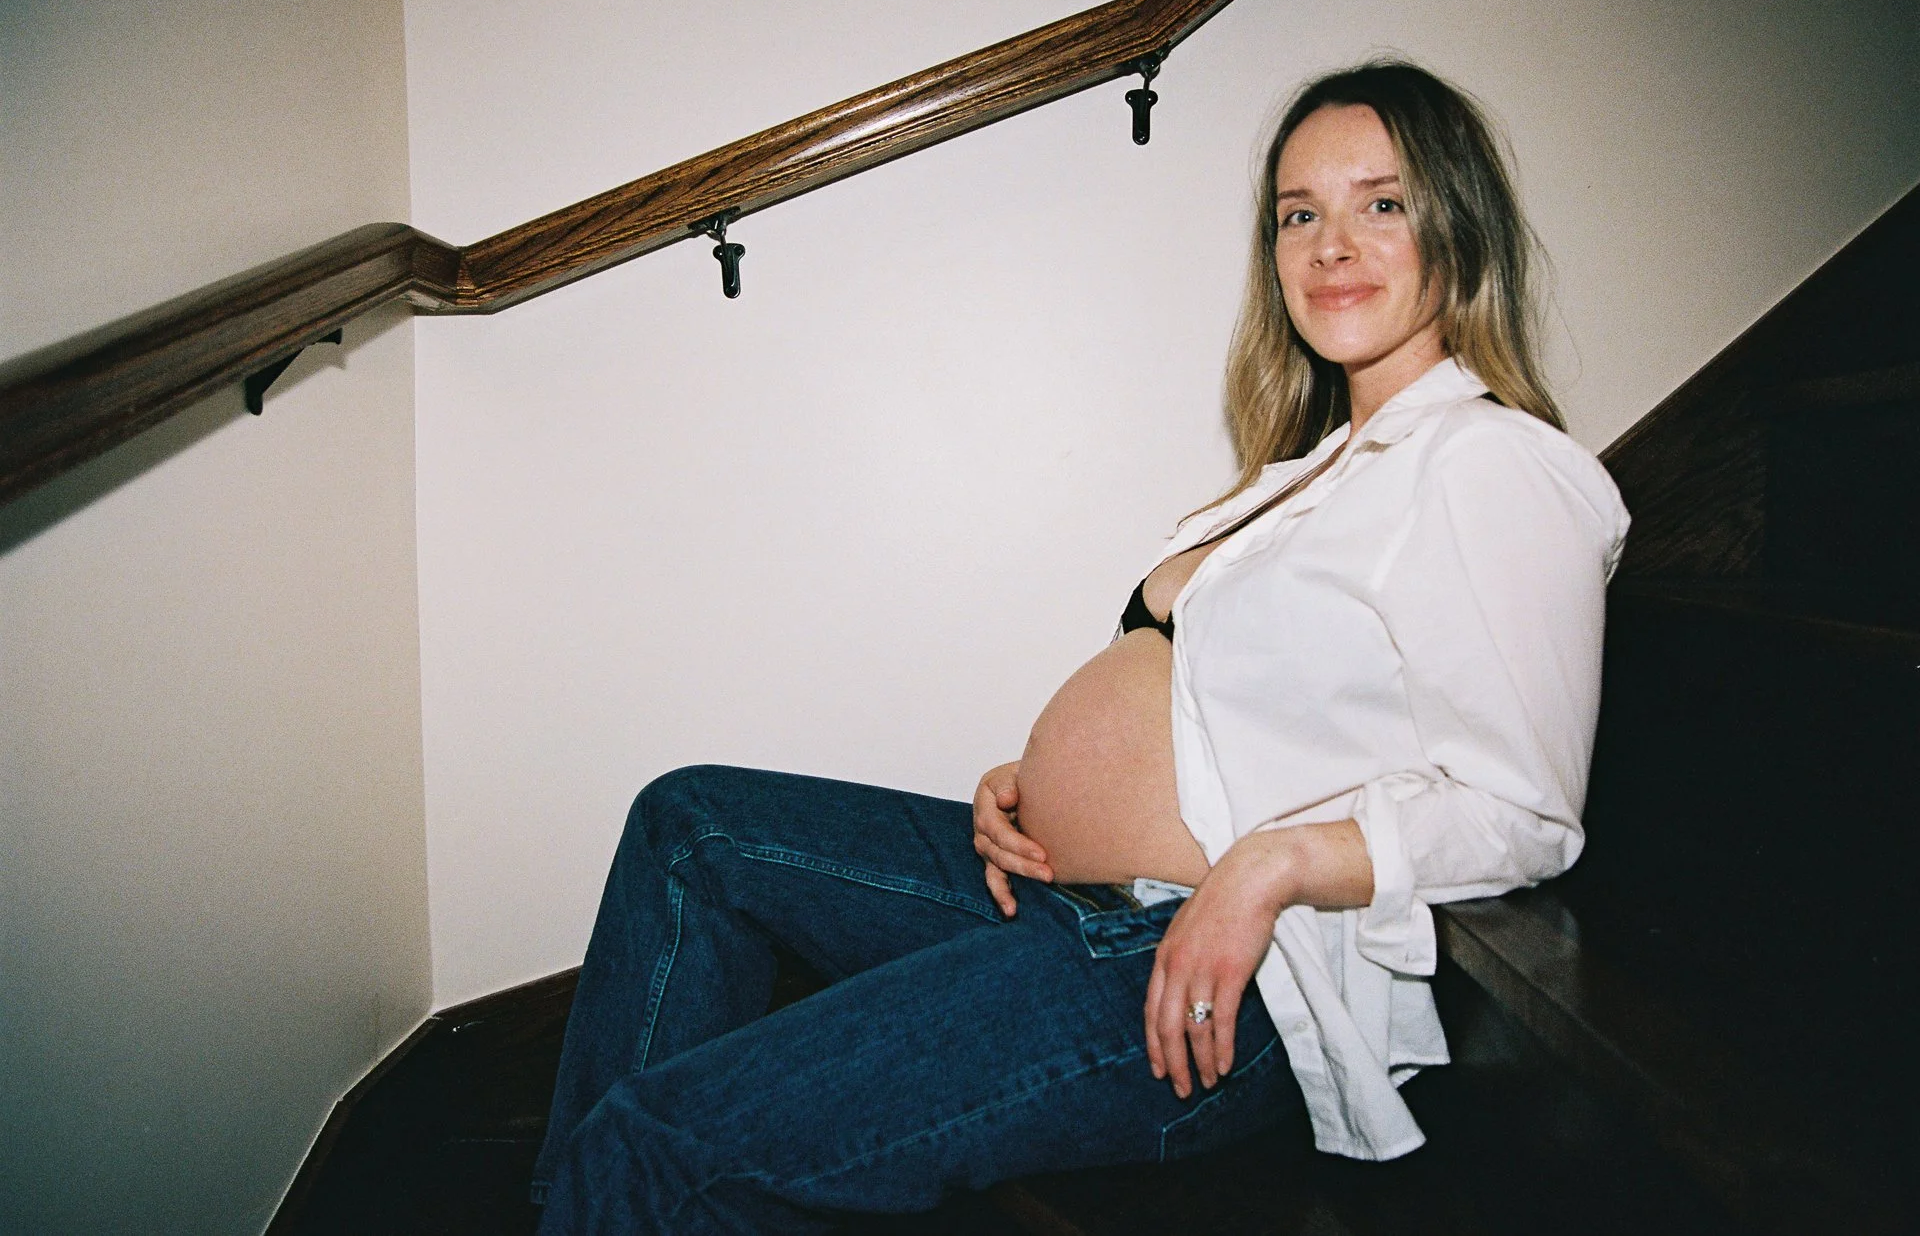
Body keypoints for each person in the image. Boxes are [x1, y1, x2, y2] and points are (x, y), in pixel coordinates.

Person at [530, 60, 1629, 1233]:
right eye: (1298, 214)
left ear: (1458, 225)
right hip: (1068, 890)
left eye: (1382, 202)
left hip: (1199, 973)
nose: (1329, 244)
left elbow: (1529, 814)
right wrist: (1037, 782)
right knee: (690, 825)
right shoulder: (1304, 472)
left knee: (663, 1144)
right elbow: (1218, 713)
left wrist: (1272, 864)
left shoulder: (1493, 464)